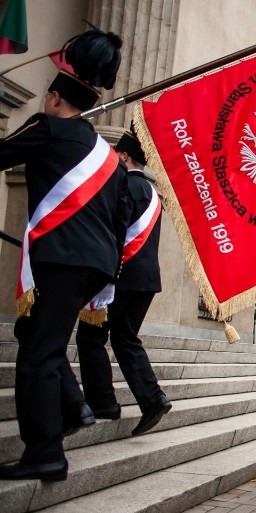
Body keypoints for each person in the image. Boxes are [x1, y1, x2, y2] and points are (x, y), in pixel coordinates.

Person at [0, 29, 128, 481]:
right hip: (94, 267)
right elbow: (118, 217)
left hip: (60, 261)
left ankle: (45, 453)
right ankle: (73, 408)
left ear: (55, 97)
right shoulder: (106, 154)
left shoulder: (46, 127)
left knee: (36, 354)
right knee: (36, 333)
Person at [76, 124, 172, 436]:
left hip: (121, 278)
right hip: (146, 280)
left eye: (117, 152)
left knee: (90, 337)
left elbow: (114, 232)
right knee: (125, 338)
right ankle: (152, 398)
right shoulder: (152, 192)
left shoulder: (123, 186)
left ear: (125, 155)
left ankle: (103, 402)